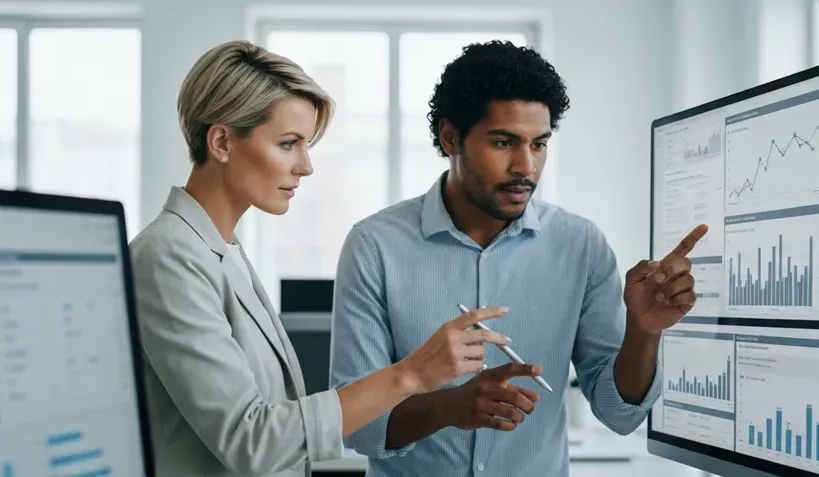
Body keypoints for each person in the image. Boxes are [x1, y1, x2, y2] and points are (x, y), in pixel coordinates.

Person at [129, 40, 519, 477]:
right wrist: (411, 374)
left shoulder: (223, 250)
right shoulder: (168, 256)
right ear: (221, 141)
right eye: (288, 143)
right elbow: (252, 442)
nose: (306, 166)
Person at [329, 40, 707, 476]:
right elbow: (357, 426)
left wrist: (643, 332)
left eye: (539, 144)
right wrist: (451, 406)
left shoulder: (581, 246)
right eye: (504, 142)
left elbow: (620, 415)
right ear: (450, 138)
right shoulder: (375, 246)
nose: (525, 167)